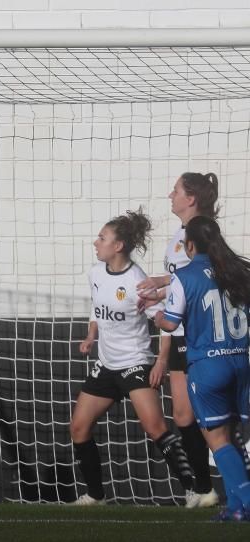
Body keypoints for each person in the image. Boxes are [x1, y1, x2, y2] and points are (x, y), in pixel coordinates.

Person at [69, 209, 195, 505]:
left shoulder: (137, 281)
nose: (95, 242)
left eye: (102, 238)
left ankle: (195, 489)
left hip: (135, 363)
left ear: (118, 246)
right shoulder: (96, 273)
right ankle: (95, 495)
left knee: (155, 428)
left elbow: (163, 321)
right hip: (107, 364)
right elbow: (96, 307)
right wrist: (91, 335)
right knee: (78, 428)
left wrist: (162, 360)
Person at [138, 172, 246, 507]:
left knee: (216, 428)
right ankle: (205, 489)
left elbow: (194, 281)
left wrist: (161, 310)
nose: (170, 194)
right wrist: (160, 285)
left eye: (176, 190)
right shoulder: (186, 235)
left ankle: (229, 494)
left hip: (200, 338)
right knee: (185, 417)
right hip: (221, 344)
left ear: (191, 198)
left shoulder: (200, 234)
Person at [154, 215, 250, 520]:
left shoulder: (184, 276)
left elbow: (170, 322)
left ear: (189, 244)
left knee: (217, 440)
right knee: (231, 433)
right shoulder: (240, 271)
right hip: (241, 361)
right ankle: (236, 508)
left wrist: (156, 316)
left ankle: (246, 499)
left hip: (208, 364)